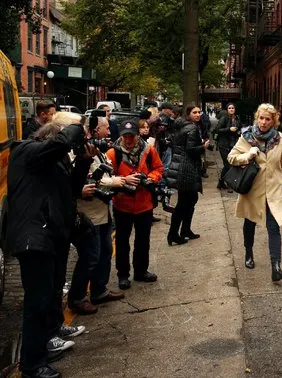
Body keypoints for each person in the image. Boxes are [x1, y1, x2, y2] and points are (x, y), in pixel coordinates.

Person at [7, 116, 94, 378]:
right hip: (34, 238)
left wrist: (85, 160)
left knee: (48, 294)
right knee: (38, 301)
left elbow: (70, 190)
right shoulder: (26, 151)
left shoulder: (49, 161)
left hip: (48, 236)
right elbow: (60, 142)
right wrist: (80, 124)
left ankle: (43, 345)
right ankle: (31, 365)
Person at [228, 103, 282, 282]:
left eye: (268, 119)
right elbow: (231, 158)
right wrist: (248, 155)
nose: (264, 122)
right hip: (252, 190)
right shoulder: (246, 137)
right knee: (249, 223)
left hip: (273, 191)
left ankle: (276, 267)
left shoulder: (279, 138)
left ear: (273, 121)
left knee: (274, 228)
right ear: (256, 118)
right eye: (261, 118)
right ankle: (248, 253)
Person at [67, 116, 126, 315]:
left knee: (105, 252)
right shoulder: (74, 152)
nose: (109, 132)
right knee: (90, 256)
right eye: (105, 128)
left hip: (102, 211)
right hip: (87, 214)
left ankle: (99, 290)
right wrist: (118, 182)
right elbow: (88, 179)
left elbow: (104, 172)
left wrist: (118, 180)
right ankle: (77, 297)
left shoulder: (96, 149)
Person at [106, 120, 164, 290]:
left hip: (144, 204)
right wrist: (124, 181)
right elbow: (106, 177)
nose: (128, 140)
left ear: (138, 135)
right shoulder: (112, 153)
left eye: (131, 136)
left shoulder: (149, 150)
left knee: (143, 240)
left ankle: (141, 271)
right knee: (122, 241)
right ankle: (123, 275)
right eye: (125, 136)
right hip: (122, 204)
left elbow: (159, 169)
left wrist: (149, 179)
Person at [165, 105, 209, 245]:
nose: (197, 114)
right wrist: (203, 146)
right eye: (194, 112)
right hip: (187, 168)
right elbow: (191, 149)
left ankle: (185, 230)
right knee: (184, 203)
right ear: (188, 114)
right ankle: (173, 234)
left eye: (199, 112)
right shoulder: (192, 128)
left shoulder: (181, 125)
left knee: (190, 200)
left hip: (181, 165)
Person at [216, 103, 241, 191]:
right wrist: (228, 129)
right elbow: (217, 130)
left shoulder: (237, 119)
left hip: (233, 144)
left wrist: (238, 132)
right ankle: (229, 184)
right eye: (229, 108)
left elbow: (239, 129)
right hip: (223, 145)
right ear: (227, 110)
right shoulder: (224, 118)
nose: (231, 109)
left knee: (229, 164)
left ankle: (221, 182)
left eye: (232, 108)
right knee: (228, 164)